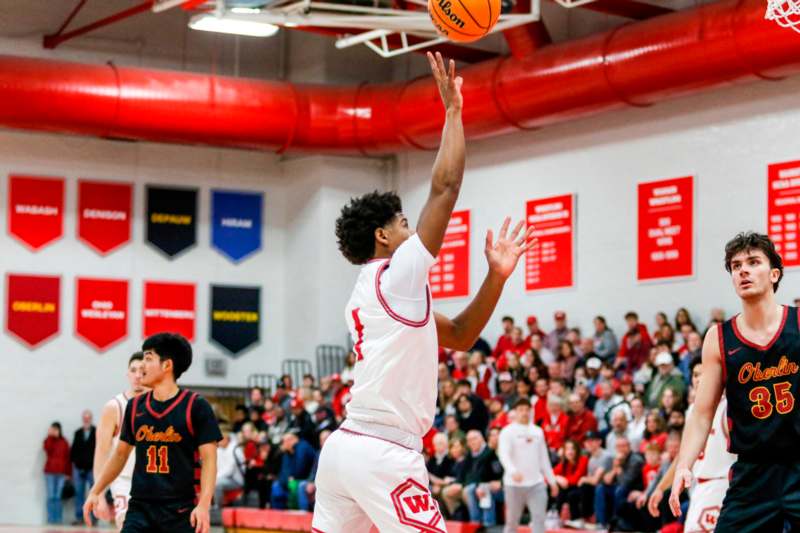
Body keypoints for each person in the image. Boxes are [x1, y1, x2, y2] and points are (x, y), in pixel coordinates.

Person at [313, 52, 534, 533]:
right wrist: (453, 112)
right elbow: (446, 187)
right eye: (403, 224)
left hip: (345, 449)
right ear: (382, 236)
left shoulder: (369, 294)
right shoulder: (396, 276)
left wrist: (495, 276)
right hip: (383, 453)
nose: (413, 232)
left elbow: (458, 334)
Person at [669, 232, 798, 531]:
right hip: (752, 473)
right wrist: (683, 466)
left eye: (753, 262)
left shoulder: (798, 324)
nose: (743, 270)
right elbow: (702, 413)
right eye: (736, 265)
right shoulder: (718, 338)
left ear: (774, 273)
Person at [84, 333, 222, 533]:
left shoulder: (196, 406)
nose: (142, 368)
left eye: (148, 359)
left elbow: (210, 460)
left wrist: (203, 505)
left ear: (167, 366)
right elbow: (120, 454)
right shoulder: (134, 406)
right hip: (140, 508)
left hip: (180, 509)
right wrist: (96, 490)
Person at [92, 352, 148, 530]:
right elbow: (101, 453)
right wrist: (99, 494)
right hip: (124, 481)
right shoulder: (114, 407)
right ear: (127, 374)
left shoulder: (160, 404)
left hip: (154, 480)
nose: (138, 375)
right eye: (133, 370)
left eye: (142, 370)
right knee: (127, 525)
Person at [497, 398, 559, 533]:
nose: (524, 413)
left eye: (527, 410)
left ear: (531, 412)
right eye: (521, 410)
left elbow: (544, 458)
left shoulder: (538, 431)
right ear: (515, 412)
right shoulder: (507, 431)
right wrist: (512, 471)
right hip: (513, 485)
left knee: (539, 520)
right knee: (512, 522)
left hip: (536, 484)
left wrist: (552, 481)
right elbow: (503, 454)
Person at [71, 409, 97, 525]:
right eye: (85, 418)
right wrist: (76, 464)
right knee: (79, 494)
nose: (86, 420)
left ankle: (94, 517)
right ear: (83, 419)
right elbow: (73, 451)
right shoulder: (77, 433)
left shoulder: (97, 432)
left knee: (94, 494)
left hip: (92, 468)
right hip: (79, 468)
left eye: (88, 418)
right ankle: (79, 517)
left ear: (90, 419)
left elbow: (100, 450)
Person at [43, 422, 71, 524]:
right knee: (51, 497)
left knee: (58, 497)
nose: (54, 431)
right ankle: (51, 519)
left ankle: (58, 519)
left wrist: (69, 474)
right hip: (50, 473)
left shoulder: (64, 442)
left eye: (56, 429)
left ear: (59, 430)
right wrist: (50, 436)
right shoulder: (48, 440)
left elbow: (68, 459)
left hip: (61, 473)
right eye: (52, 429)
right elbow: (47, 449)